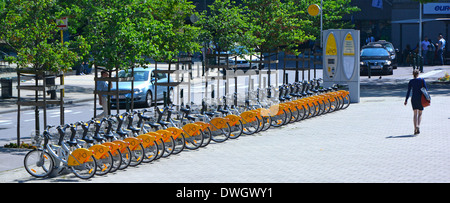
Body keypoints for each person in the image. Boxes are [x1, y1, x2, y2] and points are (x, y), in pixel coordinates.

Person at [404, 69, 428, 135]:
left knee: (415, 114)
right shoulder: (422, 80)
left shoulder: (411, 81)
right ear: (418, 74)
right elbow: (426, 89)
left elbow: (408, 91)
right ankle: (418, 126)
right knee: (420, 113)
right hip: (421, 98)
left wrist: (406, 100)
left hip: (414, 98)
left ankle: (415, 129)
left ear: (413, 74)